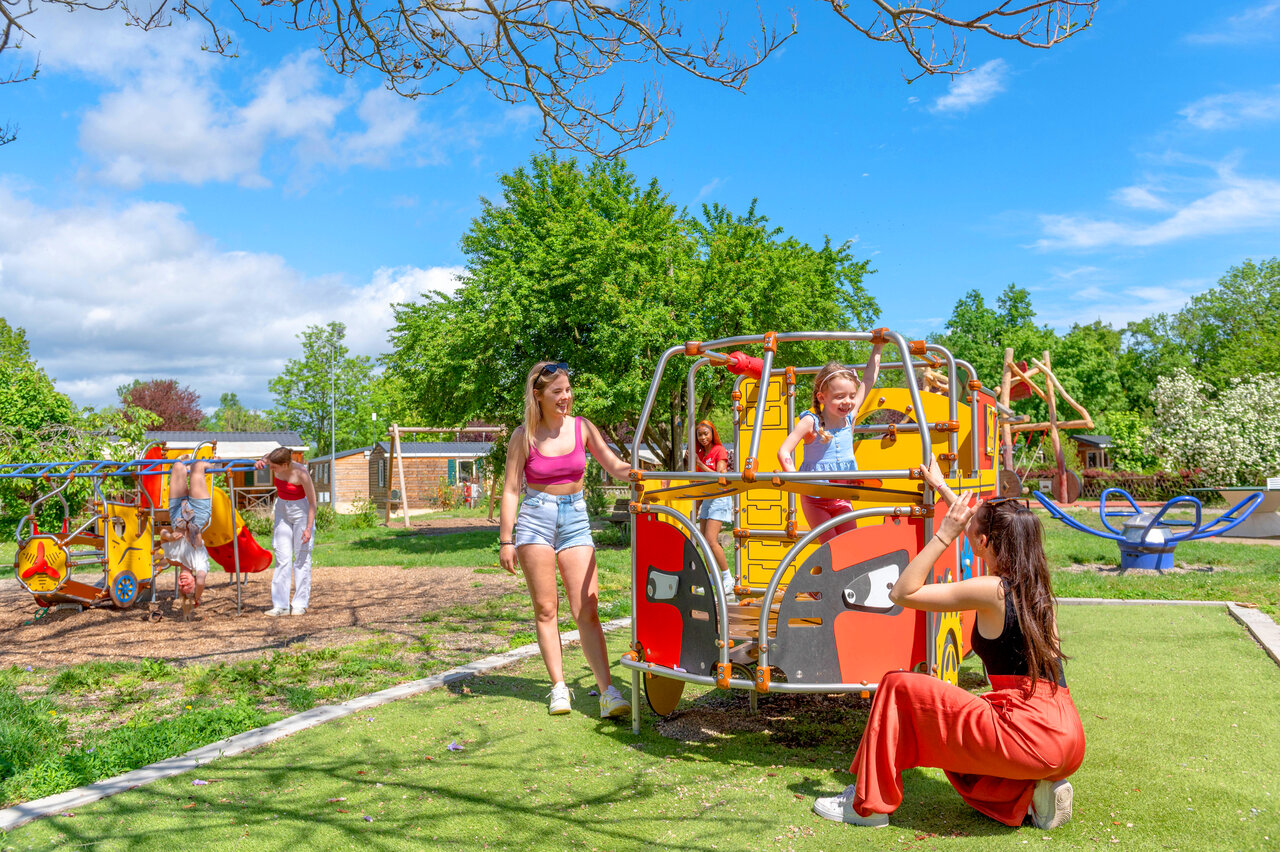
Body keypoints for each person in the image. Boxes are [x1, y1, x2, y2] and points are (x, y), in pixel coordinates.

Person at [812, 457, 1085, 830]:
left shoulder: (992, 590)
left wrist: (943, 535)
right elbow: (978, 522)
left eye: (973, 529)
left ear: (984, 541)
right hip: (1065, 735)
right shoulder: (1037, 591)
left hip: (1029, 732)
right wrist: (941, 487)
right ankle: (1033, 794)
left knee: (897, 685)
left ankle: (868, 807)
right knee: (967, 722)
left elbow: (903, 592)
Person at [498, 361, 634, 718]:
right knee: (546, 609)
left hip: (575, 517)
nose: (566, 397)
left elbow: (613, 465)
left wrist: (639, 473)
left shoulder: (582, 428)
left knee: (587, 609)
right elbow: (511, 490)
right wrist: (506, 539)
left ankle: (608, 692)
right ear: (538, 395)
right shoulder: (523, 436)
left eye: (568, 390)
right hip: (535, 520)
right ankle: (559, 687)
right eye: (557, 391)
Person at [776, 345, 883, 543]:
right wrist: (794, 479)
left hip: (842, 496)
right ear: (822, 397)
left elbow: (868, 380)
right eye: (840, 396)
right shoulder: (811, 422)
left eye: (852, 396)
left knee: (850, 543)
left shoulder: (849, 419)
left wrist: (878, 346)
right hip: (815, 498)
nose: (848, 401)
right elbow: (784, 451)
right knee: (831, 546)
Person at [254, 447, 317, 617]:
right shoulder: (273, 459)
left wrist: (308, 528)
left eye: (274, 467)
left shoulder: (301, 473)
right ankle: (280, 605)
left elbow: (313, 503)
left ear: (285, 464)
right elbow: (265, 458)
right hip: (282, 509)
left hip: (301, 511)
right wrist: (260, 461)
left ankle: (299, 604)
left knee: (302, 558)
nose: (271, 469)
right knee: (282, 557)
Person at [161, 457, 213, 619]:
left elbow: (162, 534)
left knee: (177, 466)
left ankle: (185, 466)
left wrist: (169, 537)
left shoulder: (171, 560)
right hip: (198, 514)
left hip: (177, 514)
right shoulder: (199, 564)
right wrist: (196, 598)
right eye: (188, 587)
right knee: (198, 467)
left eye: (181, 587)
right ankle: (213, 464)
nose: (183, 583)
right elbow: (201, 582)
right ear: (194, 580)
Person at [692, 420, 734, 598]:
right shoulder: (701, 454)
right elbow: (699, 481)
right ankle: (712, 579)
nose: (703, 437)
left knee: (711, 540)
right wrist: (696, 506)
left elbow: (719, 476)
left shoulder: (719, 450)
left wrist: (699, 464)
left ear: (712, 434)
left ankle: (727, 578)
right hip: (707, 497)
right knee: (703, 542)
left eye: (706, 433)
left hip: (719, 496)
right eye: (699, 435)